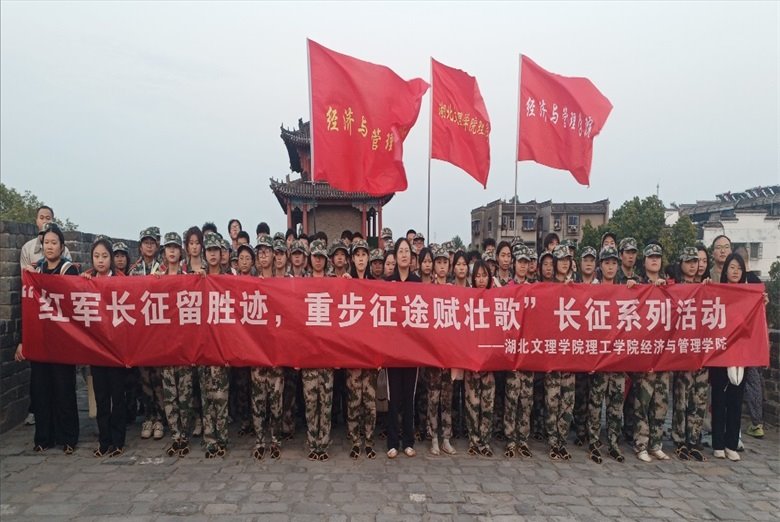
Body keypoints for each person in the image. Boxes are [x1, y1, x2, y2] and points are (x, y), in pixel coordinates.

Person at [15, 223, 79, 454]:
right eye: (46, 243)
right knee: (41, 389)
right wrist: (23, 340)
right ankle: (44, 438)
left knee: (64, 388)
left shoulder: (68, 271)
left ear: (62, 246)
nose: (50, 246)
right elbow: (28, 309)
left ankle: (68, 438)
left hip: (63, 339)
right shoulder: (36, 271)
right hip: (41, 339)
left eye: (54, 243)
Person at [79, 236, 127, 457]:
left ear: (111, 259)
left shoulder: (122, 281)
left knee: (117, 396)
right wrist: (81, 282)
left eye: (105, 256)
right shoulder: (86, 281)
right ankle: (104, 440)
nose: (100, 260)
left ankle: (118, 440)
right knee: (101, 397)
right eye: (96, 256)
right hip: (96, 350)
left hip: (116, 350)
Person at [154, 232, 195, 458]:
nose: (172, 251)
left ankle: (185, 436)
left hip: (184, 346)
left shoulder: (189, 277)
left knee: (185, 395)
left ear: (181, 252)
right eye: (168, 247)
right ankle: (175, 436)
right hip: (165, 346)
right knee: (169, 395)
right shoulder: (156, 278)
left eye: (175, 248)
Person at [633, 243, 672, 462]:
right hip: (644, 354)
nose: (655, 260)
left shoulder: (669, 285)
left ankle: (656, 443)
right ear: (645, 261)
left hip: (663, 355)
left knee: (661, 402)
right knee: (643, 402)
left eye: (658, 256)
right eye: (651, 257)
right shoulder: (637, 284)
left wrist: (666, 288)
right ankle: (641, 443)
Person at [341, 238, 378, 460]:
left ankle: (369, 441)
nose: (361, 259)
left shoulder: (376, 285)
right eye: (358, 255)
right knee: (354, 400)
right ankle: (355, 440)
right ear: (352, 259)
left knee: (370, 402)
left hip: (371, 355)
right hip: (353, 354)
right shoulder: (346, 283)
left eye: (364, 255)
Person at [710, 253, 749, 461]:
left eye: (739, 268)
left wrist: (762, 303)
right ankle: (718, 443)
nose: (735, 271)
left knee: (736, 399)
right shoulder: (718, 292)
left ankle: (731, 443)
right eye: (732, 267)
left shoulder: (749, 295)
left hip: (741, 353)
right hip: (720, 352)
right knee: (719, 398)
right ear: (725, 270)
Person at [249, 238, 285, 460]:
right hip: (256, 353)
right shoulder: (249, 284)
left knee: (276, 402)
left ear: (274, 255)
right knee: (258, 401)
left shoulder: (284, 284)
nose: (263, 255)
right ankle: (260, 440)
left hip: (277, 353)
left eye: (267, 251)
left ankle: (275, 440)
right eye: (260, 252)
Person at [385, 238, 422, 459]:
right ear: (395, 256)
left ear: (411, 257)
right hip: (392, 350)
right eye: (400, 251)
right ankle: (392, 442)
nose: (404, 255)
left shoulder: (418, 283)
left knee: (409, 397)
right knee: (393, 397)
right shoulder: (387, 282)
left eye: (407, 251)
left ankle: (408, 441)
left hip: (413, 350)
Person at [672, 246, 708, 461]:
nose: (693, 265)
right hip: (682, 353)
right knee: (681, 399)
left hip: (701, 352)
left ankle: (694, 439)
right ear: (681, 264)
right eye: (689, 262)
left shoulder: (706, 289)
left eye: (696, 261)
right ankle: (679, 440)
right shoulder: (675, 288)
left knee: (699, 399)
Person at [128, 227, 165, 440]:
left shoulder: (164, 269)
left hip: (159, 332)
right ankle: (148, 417)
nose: (149, 246)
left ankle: (160, 418)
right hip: (142, 333)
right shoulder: (134, 271)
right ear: (140, 246)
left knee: (158, 378)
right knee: (144, 379)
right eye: (145, 243)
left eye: (152, 243)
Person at [301, 239, 336, 461]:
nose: (318, 260)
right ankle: (312, 441)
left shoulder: (334, 283)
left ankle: (324, 442)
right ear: (310, 258)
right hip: (308, 355)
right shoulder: (300, 284)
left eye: (322, 257)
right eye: (315, 256)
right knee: (310, 402)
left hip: (328, 354)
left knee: (326, 402)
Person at [199, 232, 231, 458]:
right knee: (206, 396)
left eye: (216, 251)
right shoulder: (197, 279)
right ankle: (210, 440)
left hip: (222, 347)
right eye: (209, 250)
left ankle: (222, 438)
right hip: (203, 346)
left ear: (222, 254)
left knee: (221, 396)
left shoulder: (230, 280)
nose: (212, 255)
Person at [544, 246, 576, 460]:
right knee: (552, 400)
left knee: (567, 402)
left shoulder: (576, 286)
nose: (564, 263)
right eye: (561, 259)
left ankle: (562, 441)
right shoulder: (546, 287)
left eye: (568, 259)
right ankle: (552, 441)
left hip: (570, 354)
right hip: (552, 354)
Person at [462, 259, 496, 457]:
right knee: (472, 404)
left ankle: (485, 441)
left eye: (485, 276)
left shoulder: (496, 300)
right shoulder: (467, 299)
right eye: (478, 276)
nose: (481, 280)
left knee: (487, 404)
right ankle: (473, 440)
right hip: (471, 362)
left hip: (489, 362)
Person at [503, 244, 534, 459]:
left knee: (526, 399)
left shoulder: (536, 289)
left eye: (526, 263)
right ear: (514, 264)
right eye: (520, 262)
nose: (523, 266)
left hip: (529, 353)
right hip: (512, 351)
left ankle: (523, 439)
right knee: (511, 398)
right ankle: (510, 439)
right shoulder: (507, 288)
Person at [426, 246, 456, 456]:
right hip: (433, 355)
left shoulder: (455, 291)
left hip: (450, 355)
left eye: (445, 262)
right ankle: (433, 438)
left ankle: (446, 438)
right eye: (439, 262)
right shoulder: (427, 290)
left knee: (447, 399)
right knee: (433, 398)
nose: (442, 266)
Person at [19, 205, 72, 272]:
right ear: (36, 221)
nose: (44, 221)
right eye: (41, 218)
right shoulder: (27, 248)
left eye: (48, 218)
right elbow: (25, 275)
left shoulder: (64, 250)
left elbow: (68, 272)